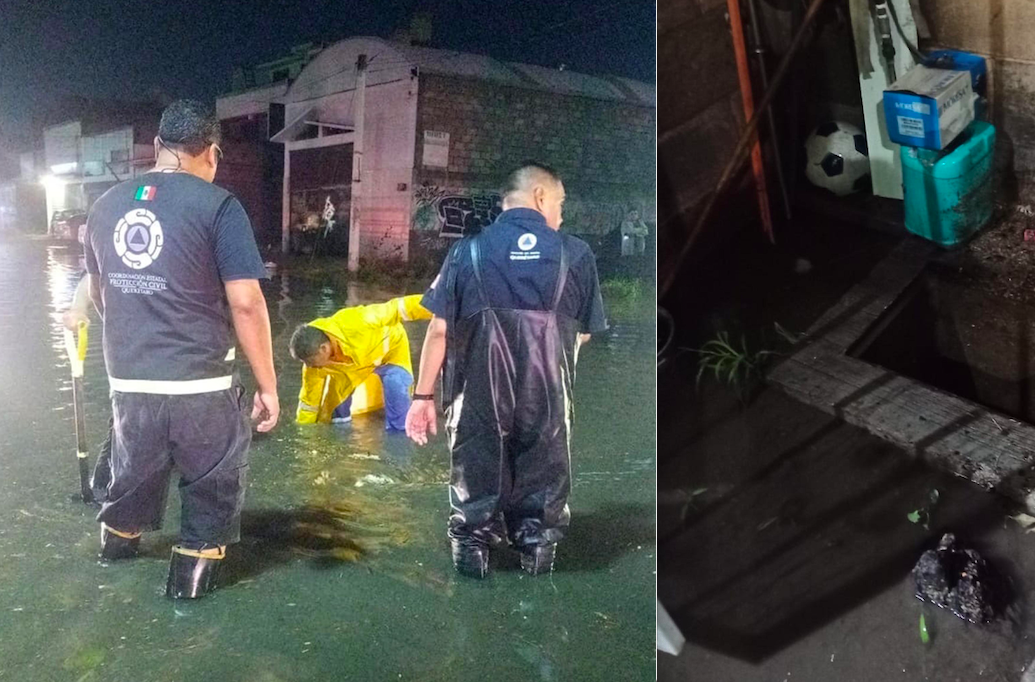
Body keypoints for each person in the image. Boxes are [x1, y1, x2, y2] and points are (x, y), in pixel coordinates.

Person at [82, 99, 278, 599]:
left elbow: (99, 292)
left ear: (156, 146)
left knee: (129, 484)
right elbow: (248, 304)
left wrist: (132, 343)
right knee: (209, 499)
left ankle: (114, 559)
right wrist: (268, 386)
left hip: (128, 384)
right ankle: (186, 597)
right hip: (202, 386)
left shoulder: (105, 205)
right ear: (210, 153)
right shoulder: (219, 207)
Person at [405, 163, 607, 578]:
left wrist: (422, 398)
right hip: (548, 397)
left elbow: (440, 331)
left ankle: (472, 560)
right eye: (560, 202)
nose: (561, 214)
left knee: (473, 490)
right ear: (540, 196)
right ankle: (535, 556)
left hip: (477, 397)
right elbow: (582, 337)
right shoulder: (577, 254)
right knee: (544, 487)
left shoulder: (466, 251)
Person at [289, 295, 431, 431]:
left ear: (323, 349)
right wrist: (305, 433)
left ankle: (399, 438)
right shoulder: (313, 367)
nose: (308, 366)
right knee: (334, 417)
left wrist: (440, 306)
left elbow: (398, 308)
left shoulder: (357, 321)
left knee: (396, 386)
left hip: (390, 353)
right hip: (352, 371)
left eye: (309, 361)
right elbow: (309, 403)